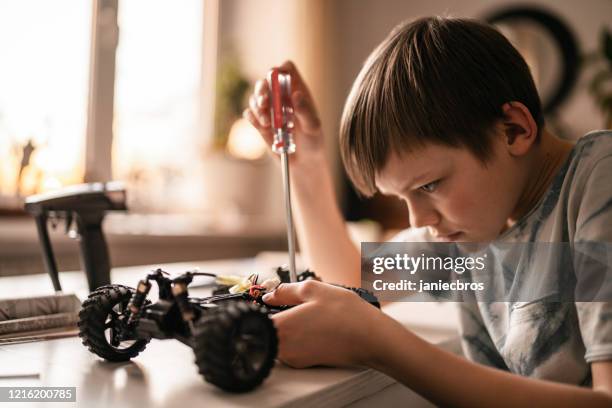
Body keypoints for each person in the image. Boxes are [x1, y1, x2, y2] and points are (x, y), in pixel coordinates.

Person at [243, 16, 612, 407]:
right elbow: (352, 285)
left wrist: (382, 346)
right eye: (402, 198)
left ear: (513, 131)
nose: (419, 220)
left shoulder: (597, 180)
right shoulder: (471, 229)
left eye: (429, 186)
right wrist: (307, 165)